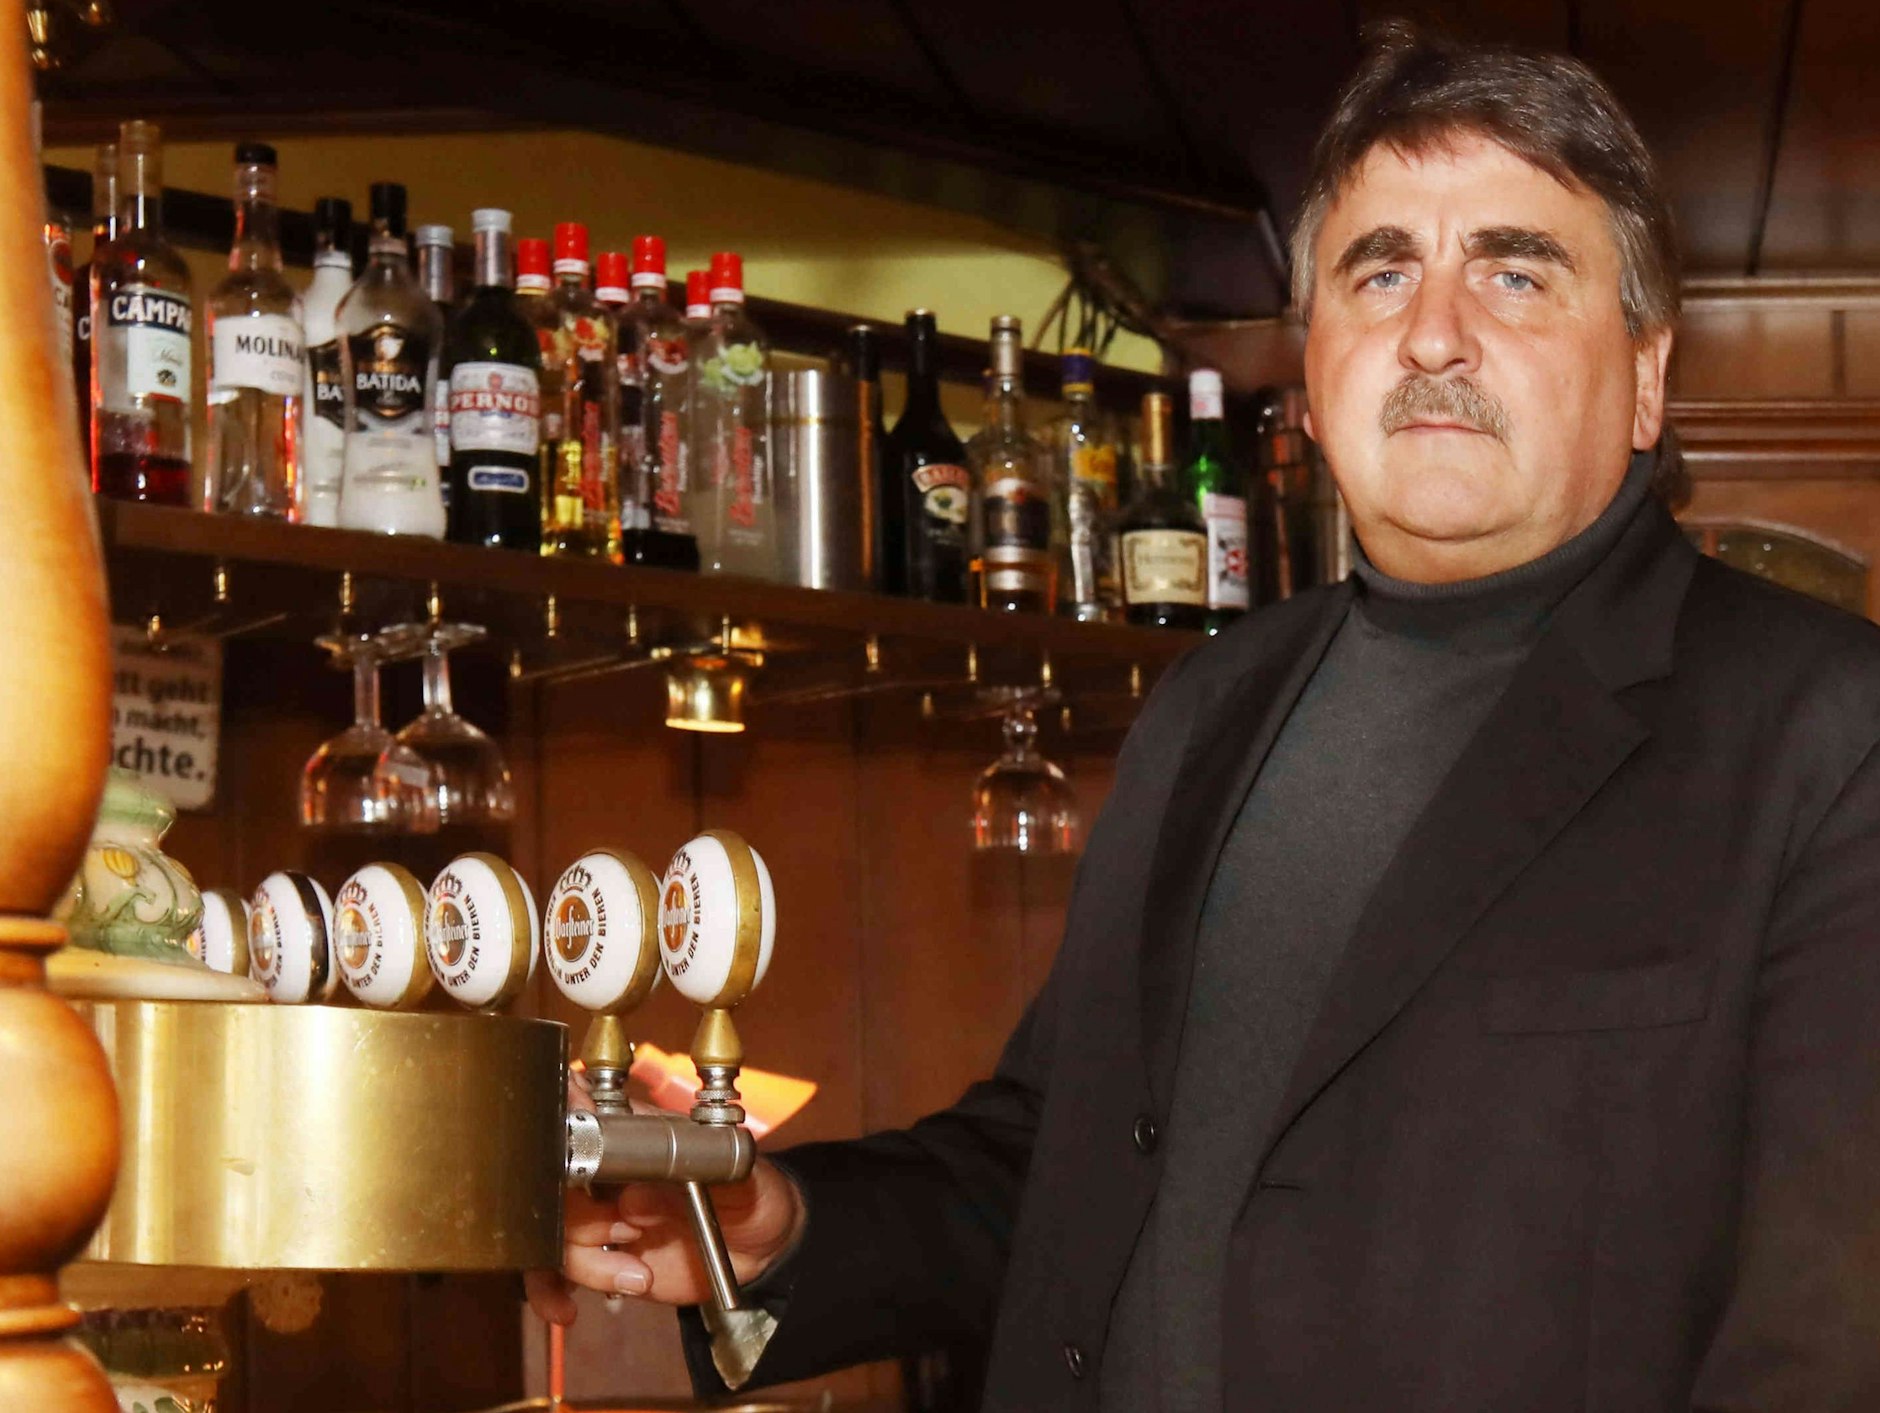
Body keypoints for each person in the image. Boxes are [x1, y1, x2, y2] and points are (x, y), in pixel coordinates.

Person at [530, 24, 1880, 1412]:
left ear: (1647, 374)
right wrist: (776, 1227)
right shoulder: (1214, 703)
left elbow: (1832, 1343)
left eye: (1515, 270)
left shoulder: (1830, 734)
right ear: (1316, 366)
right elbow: (1054, 1158)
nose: (1432, 331)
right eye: (1381, 272)